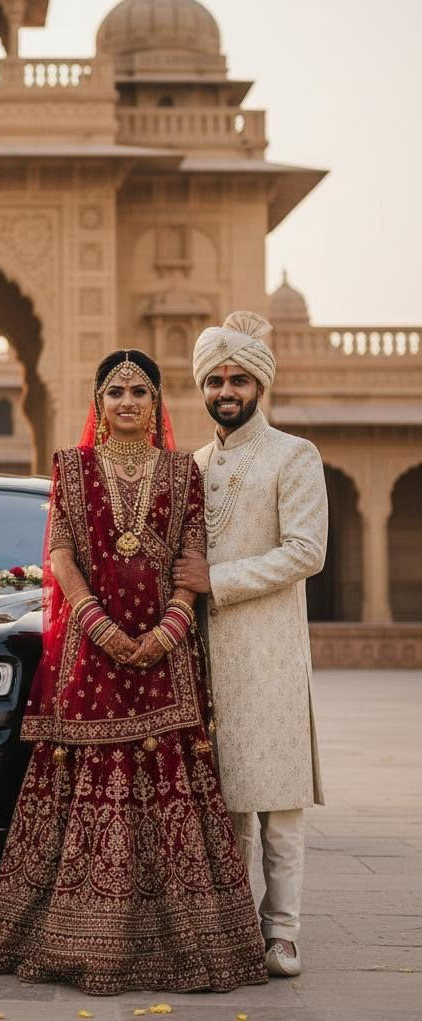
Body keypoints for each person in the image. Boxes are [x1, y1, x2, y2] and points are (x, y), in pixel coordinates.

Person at [0, 349, 267, 995]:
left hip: (167, 657)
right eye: (116, 392)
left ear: (158, 401)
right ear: (99, 403)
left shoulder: (182, 471)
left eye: (140, 390)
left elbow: (193, 552)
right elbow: (59, 554)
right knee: (88, 780)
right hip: (92, 653)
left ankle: (182, 941)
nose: (129, 401)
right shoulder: (73, 468)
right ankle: (75, 940)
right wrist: (99, 624)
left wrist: (172, 624)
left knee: (168, 783)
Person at [173, 311, 327, 979]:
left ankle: (283, 932)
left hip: (267, 652)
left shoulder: (294, 455)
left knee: (279, 803)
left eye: (238, 378)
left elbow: (306, 551)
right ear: (202, 387)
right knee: (226, 801)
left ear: (258, 385)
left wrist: (218, 580)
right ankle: (238, 931)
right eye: (215, 380)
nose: (226, 390)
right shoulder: (193, 465)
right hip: (205, 653)